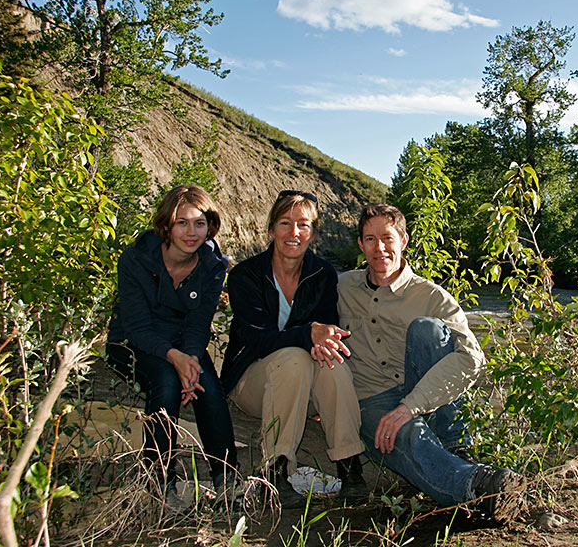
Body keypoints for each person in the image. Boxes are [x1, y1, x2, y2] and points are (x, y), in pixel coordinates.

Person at [338, 203, 523, 520]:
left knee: (428, 330)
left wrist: (410, 406)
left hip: (424, 395)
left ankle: (453, 444)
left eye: (387, 238)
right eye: (370, 239)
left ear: (404, 240)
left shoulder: (432, 295)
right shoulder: (341, 287)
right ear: (360, 244)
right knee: (405, 434)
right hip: (372, 400)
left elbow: (472, 358)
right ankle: (478, 487)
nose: (379, 248)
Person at [221, 190, 366, 508]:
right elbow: (259, 341)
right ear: (271, 229)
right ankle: (275, 473)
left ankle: (350, 466)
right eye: (285, 223)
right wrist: (308, 334)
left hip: (303, 387)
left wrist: (320, 341)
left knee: (333, 362)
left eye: (303, 224)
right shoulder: (246, 275)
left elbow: (325, 335)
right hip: (252, 382)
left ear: (314, 232)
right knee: (293, 358)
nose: (294, 232)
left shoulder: (323, 274)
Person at [106, 185, 239, 511]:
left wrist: (191, 358)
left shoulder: (213, 265)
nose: (191, 233)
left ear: (210, 226)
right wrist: (175, 358)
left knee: (208, 384)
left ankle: (228, 483)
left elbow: (198, 323)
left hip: (184, 342)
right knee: (166, 382)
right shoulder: (136, 258)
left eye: (199, 223)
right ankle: (160, 483)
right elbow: (136, 327)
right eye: (182, 223)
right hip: (132, 340)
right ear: (166, 224)